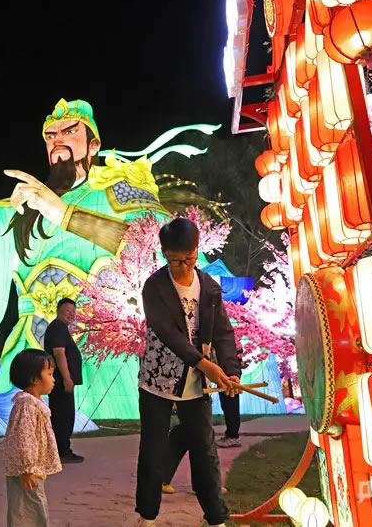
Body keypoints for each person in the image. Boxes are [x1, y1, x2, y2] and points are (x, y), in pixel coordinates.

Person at [0, 68, 172, 424]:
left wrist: (64, 214)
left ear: (94, 145)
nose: (57, 139)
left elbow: (158, 244)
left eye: (69, 131)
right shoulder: (25, 209)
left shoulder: (117, 193)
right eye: (50, 135)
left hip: (105, 358)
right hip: (29, 354)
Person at [134, 217, 242, 527]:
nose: (184, 266)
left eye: (190, 259)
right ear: (164, 254)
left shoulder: (208, 286)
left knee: (205, 451)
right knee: (153, 450)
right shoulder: (154, 287)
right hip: (156, 380)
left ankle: (216, 518)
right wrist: (206, 364)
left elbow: (223, 332)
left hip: (195, 383)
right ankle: (147, 516)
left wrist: (231, 371)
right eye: (176, 260)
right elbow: (169, 335)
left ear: (197, 250)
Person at [3, 349, 62, 527]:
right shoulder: (26, 406)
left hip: (33, 469)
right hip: (27, 472)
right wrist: (26, 469)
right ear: (34, 379)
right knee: (28, 510)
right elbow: (24, 439)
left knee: (33, 508)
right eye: (49, 374)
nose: (53, 379)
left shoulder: (34, 403)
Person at [43, 298, 83, 463]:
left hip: (62, 381)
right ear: (58, 310)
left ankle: (59, 451)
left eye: (73, 311)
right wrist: (67, 378)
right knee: (63, 417)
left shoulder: (61, 328)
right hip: (61, 382)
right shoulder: (58, 328)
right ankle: (62, 452)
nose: (71, 314)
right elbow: (59, 353)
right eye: (68, 310)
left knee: (63, 416)